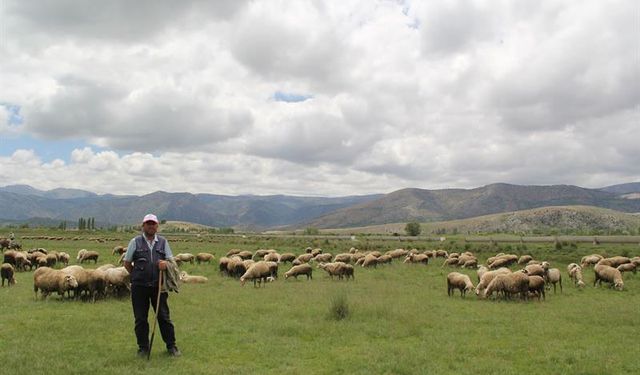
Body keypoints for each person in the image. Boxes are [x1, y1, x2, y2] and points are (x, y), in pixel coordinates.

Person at [123, 214, 181, 358]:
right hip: (139, 287)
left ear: (157, 226)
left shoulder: (163, 242)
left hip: (158, 287)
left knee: (163, 317)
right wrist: (137, 275)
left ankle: (171, 346)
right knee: (140, 319)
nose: (150, 226)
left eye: (153, 224)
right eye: (148, 224)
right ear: (143, 226)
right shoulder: (135, 242)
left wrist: (165, 264)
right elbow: (127, 263)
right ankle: (143, 348)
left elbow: (172, 263)